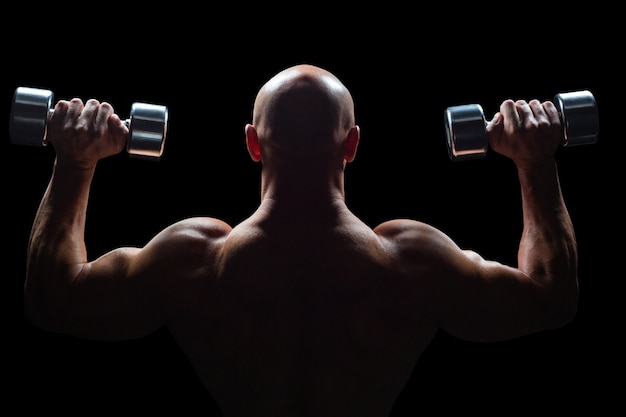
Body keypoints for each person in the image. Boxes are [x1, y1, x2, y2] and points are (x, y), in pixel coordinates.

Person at [23, 64, 578, 417]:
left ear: (252, 145)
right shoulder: (413, 264)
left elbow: (55, 301)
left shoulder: (190, 261)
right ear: (352, 145)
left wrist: (75, 163)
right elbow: (549, 298)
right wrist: (536, 162)